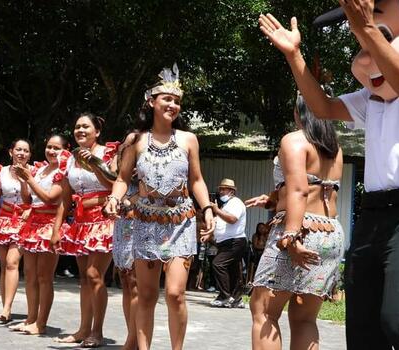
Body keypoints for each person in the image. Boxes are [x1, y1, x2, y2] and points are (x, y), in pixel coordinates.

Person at [260, 0, 399, 348]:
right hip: (374, 213)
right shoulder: (371, 100)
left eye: (381, 36)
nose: (365, 58)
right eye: (360, 46)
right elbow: (321, 107)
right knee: (363, 326)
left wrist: (364, 25)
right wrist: (295, 55)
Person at [105, 64, 215, 350]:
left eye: (177, 101)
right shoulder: (136, 141)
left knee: (176, 293)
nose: (173, 105)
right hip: (146, 222)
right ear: (151, 102)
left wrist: (207, 209)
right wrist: (115, 199)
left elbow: (198, 181)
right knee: (147, 293)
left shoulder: (189, 140)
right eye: (167, 99)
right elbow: (121, 179)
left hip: (181, 221)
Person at [245, 94, 343, 350]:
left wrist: (290, 237)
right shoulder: (334, 147)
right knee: (304, 318)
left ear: (298, 111)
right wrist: (272, 199)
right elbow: (315, 187)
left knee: (263, 311)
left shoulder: (294, 141)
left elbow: (299, 191)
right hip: (330, 231)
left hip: (299, 230)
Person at [54, 113, 119, 348]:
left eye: (86, 126)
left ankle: (97, 331)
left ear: (97, 131)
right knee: (84, 279)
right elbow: (64, 197)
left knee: (94, 274)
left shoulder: (109, 153)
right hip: (80, 222)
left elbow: (116, 184)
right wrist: (57, 228)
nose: (80, 130)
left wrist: (94, 163)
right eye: (77, 126)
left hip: (104, 219)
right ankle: (83, 328)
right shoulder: (68, 158)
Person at [12, 134, 73, 335]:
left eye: (56, 148)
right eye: (49, 147)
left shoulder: (63, 172)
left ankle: (41, 322)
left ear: (66, 149)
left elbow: (50, 198)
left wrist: (28, 178)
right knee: (30, 274)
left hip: (50, 223)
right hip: (33, 223)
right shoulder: (40, 169)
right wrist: (23, 180)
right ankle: (31, 318)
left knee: (44, 276)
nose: (51, 151)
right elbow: (27, 200)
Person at [0, 139, 32, 323]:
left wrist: (25, 179)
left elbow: (33, 199)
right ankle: (5, 306)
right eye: (18, 149)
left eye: (26, 151)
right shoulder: (0, 172)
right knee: (4, 266)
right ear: (11, 152)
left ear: (30, 154)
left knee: (12, 262)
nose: (22, 153)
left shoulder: (34, 172)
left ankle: (7, 307)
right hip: (4, 221)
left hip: (24, 222)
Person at [111, 132, 139, 350]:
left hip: (141, 221)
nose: (125, 147)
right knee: (125, 278)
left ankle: (135, 339)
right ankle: (131, 336)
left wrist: (131, 201)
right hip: (121, 223)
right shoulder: (123, 168)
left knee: (136, 283)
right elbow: (113, 175)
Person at [208, 178, 247, 309]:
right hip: (227, 242)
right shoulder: (227, 205)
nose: (220, 191)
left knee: (218, 264)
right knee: (233, 270)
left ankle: (225, 296)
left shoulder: (235, 203)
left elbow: (232, 219)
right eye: (220, 189)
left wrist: (216, 210)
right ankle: (236, 298)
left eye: (223, 189)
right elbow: (221, 221)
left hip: (234, 241)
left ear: (231, 191)